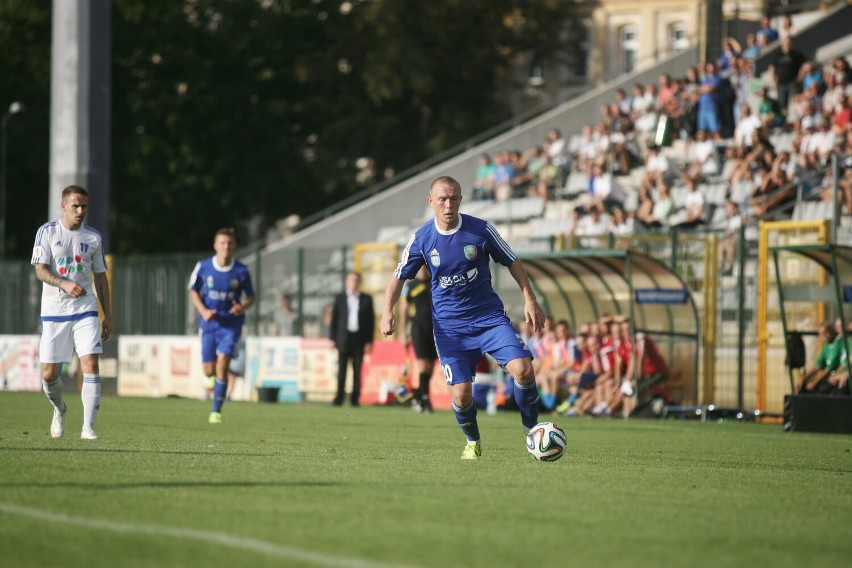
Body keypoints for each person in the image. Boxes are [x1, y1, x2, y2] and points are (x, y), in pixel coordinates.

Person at [380, 176, 545, 460]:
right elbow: (398, 276)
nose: (448, 204)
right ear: (430, 201)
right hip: (450, 329)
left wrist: (530, 297)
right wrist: (387, 311)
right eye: (442, 199)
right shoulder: (422, 239)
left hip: (489, 318)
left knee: (524, 369)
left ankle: (532, 432)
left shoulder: (480, 230)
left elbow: (512, 260)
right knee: (461, 395)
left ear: (460, 199)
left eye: (454, 198)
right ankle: (473, 442)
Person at [32, 185, 112, 440]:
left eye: (84, 206)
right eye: (75, 206)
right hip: (54, 312)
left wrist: (106, 315)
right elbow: (40, 270)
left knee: (90, 363)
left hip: (85, 309)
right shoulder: (47, 232)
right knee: (48, 374)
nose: (80, 211)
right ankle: (59, 409)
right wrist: (63, 283)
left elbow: (100, 278)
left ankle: (88, 428)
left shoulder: (93, 238)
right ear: (63, 206)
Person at [188, 228, 256, 424]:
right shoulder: (203, 266)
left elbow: (251, 297)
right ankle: (213, 380)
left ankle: (216, 410)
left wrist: (242, 307)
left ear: (234, 246)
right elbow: (193, 290)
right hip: (209, 324)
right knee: (208, 370)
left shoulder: (242, 270)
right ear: (215, 245)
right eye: (222, 243)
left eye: (230, 243)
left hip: (231, 325)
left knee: (224, 362)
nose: (226, 247)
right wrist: (203, 310)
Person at [330, 271, 375, 406]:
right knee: (342, 370)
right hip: (343, 338)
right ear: (347, 282)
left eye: (356, 281)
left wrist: (369, 341)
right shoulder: (340, 298)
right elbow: (335, 319)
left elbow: (370, 322)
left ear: (359, 283)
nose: (353, 283)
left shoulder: (366, 299)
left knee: (357, 370)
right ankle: (339, 397)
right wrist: (333, 339)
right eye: (351, 280)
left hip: (359, 339)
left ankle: (355, 399)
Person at [397, 265, 437, 413]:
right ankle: (426, 399)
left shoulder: (435, 282)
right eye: (420, 268)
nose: (423, 271)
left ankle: (419, 396)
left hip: (435, 331)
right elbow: (404, 310)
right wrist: (403, 333)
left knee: (431, 367)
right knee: (422, 365)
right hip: (418, 330)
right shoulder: (410, 285)